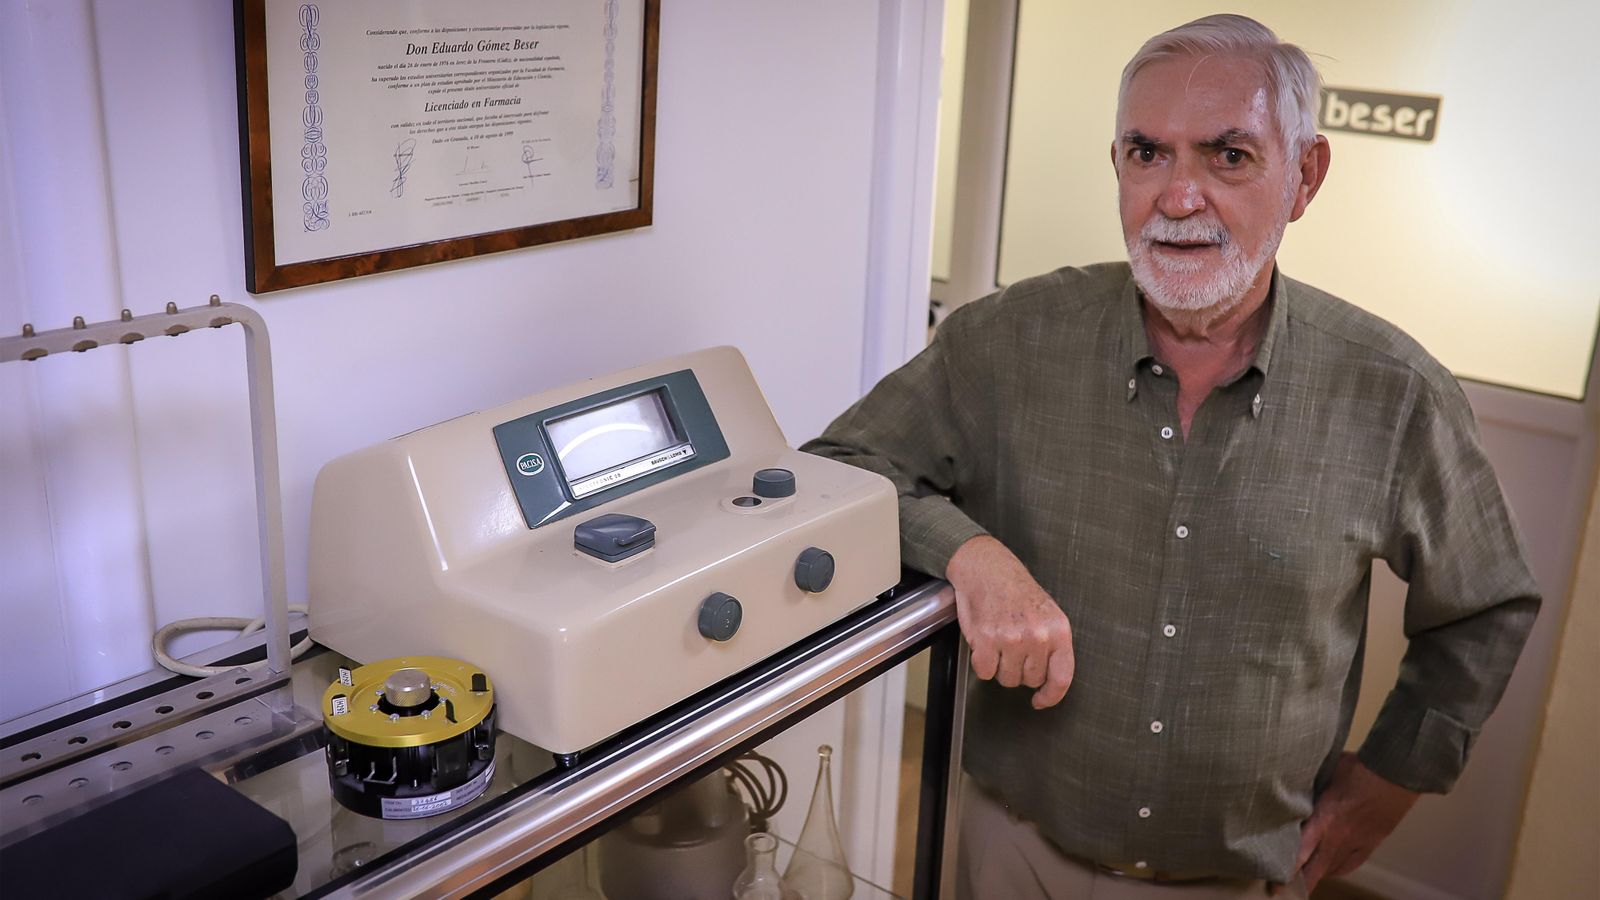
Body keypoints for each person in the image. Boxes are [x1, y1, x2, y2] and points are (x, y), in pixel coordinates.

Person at [802, 13, 1539, 899]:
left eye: (1228, 156)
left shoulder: (1395, 393)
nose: (1178, 198)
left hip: (1243, 877)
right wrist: (971, 554)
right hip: (1012, 852)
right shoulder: (1004, 341)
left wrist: (1391, 783)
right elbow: (841, 468)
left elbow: (1485, 607)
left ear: (1304, 176)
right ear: (1117, 164)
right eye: (1148, 153)